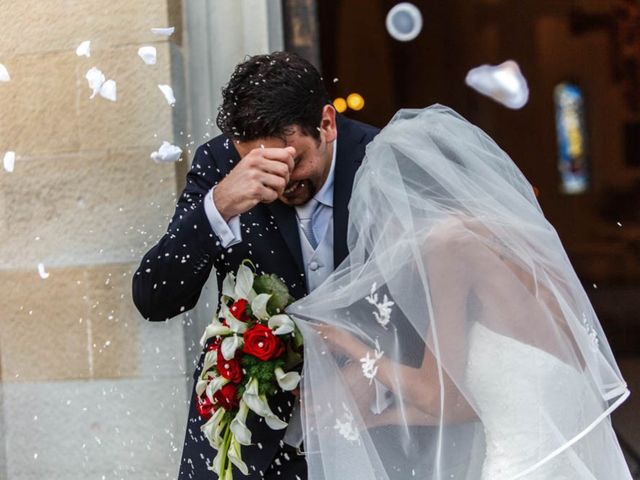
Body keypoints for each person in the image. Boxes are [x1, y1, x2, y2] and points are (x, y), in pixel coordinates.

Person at [288, 105, 632, 479]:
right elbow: (481, 397)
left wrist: (348, 344)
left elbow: (439, 396)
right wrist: (380, 418)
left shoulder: (447, 244)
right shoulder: (517, 237)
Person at [132, 51, 379, 479]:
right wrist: (220, 205)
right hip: (244, 444)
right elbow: (155, 298)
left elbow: (430, 302)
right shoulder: (218, 166)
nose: (282, 182)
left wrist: (378, 375)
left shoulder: (379, 159)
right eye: (263, 167)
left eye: (293, 161)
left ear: (326, 124)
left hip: (371, 435)